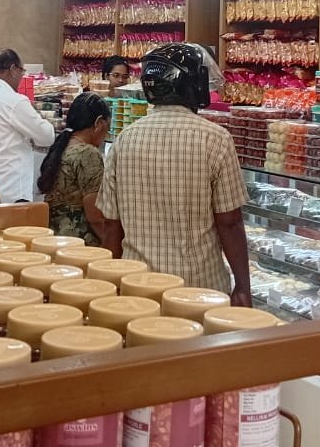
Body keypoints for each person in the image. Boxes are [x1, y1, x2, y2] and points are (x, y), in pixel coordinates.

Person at [98, 43, 251, 305]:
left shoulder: (125, 138)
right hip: (200, 287)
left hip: (137, 285)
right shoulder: (216, 139)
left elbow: (112, 223)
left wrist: (109, 283)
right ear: (193, 84)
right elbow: (229, 222)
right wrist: (243, 286)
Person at [0, 47, 55, 202]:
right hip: (9, 187)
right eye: (21, 71)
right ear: (13, 69)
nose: (21, 77)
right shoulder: (15, 101)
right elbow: (47, 136)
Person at [38, 92, 110, 245]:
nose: (107, 134)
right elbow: (95, 216)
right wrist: (110, 243)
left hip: (54, 238)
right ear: (99, 123)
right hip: (79, 242)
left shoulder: (62, 147)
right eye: (107, 127)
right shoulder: (88, 153)